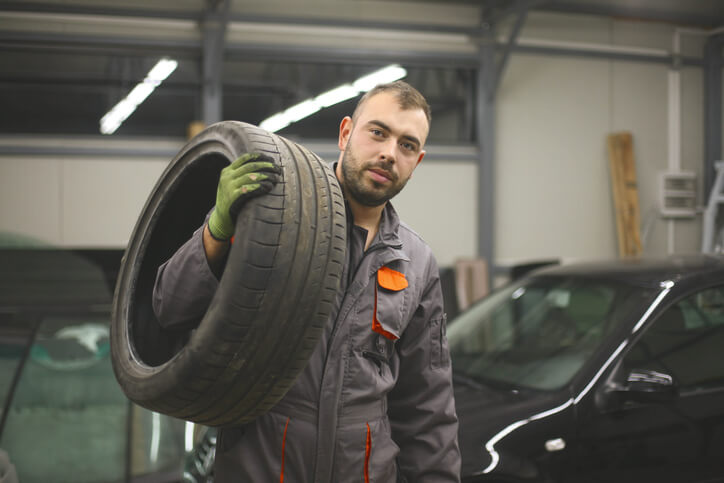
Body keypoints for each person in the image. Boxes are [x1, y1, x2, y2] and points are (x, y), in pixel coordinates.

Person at [153, 80, 461, 482]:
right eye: (378, 133)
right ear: (346, 133)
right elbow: (170, 306)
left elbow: (428, 405)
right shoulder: (273, 218)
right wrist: (219, 227)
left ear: (416, 162)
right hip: (261, 467)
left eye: (406, 145)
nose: (389, 153)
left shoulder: (416, 262)